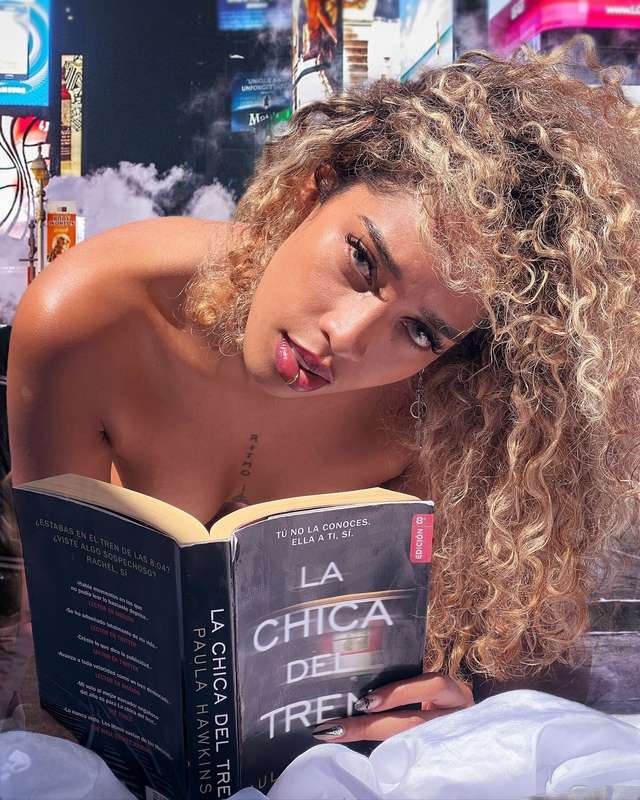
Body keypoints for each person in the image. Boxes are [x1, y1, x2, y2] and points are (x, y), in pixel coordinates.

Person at [6, 34, 640, 743]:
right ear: (317, 185)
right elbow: (56, 631)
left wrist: (460, 700)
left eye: (419, 331)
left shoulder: (443, 410)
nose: (348, 336)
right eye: (363, 261)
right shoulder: (93, 315)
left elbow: (505, 654)